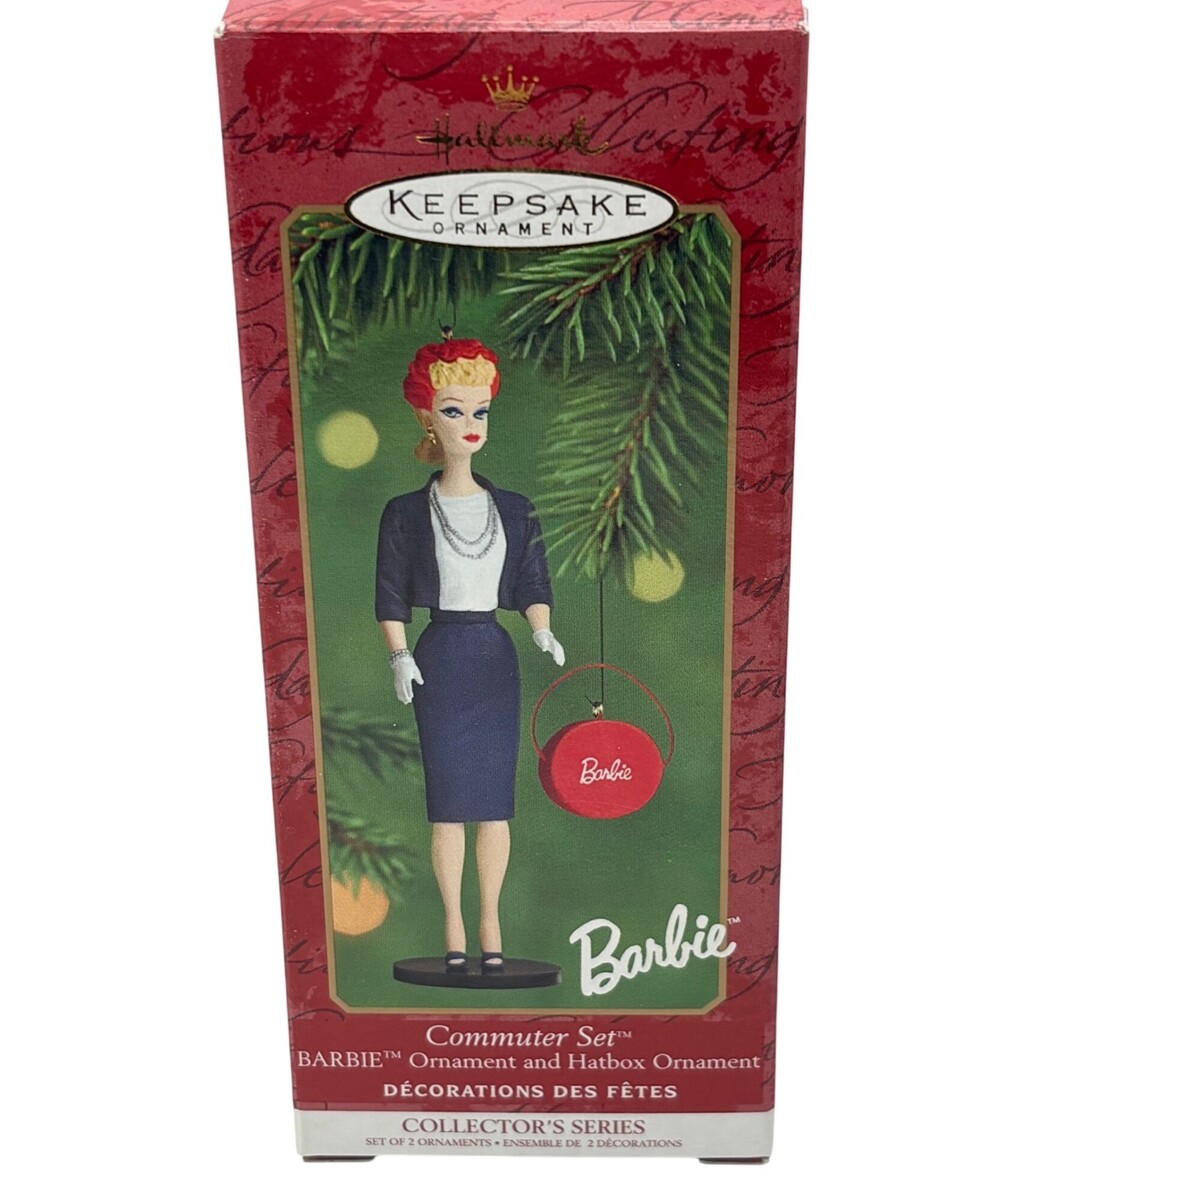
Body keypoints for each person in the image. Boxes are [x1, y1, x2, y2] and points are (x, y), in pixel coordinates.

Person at [375, 335, 565, 975]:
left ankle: (491, 922)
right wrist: (399, 655)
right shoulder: (405, 512)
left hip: (492, 657)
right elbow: (390, 594)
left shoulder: (513, 509)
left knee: (494, 802)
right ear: (427, 418)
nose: (470, 424)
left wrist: (540, 630)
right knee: (448, 802)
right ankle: (454, 925)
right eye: (454, 411)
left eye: (480, 410)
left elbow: (533, 583)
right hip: (439, 658)